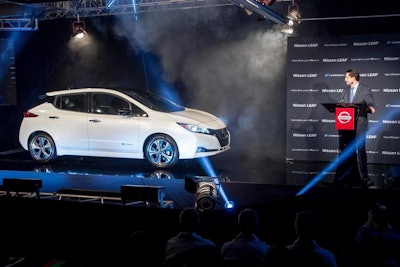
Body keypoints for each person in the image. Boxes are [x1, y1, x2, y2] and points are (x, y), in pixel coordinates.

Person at [339, 68, 376, 188]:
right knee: (348, 152)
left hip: (359, 126)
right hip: (347, 126)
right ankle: (348, 176)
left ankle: (365, 178)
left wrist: (364, 108)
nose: (345, 79)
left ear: (353, 78)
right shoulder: (345, 91)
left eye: (346, 77)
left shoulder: (365, 90)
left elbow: (372, 107)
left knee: (360, 151)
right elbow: (341, 105)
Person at [354, 203, 400, 267]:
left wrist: (369, 220)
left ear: (373, 217)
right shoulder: (396, 235)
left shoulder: (372, 236)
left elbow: (358, 237)